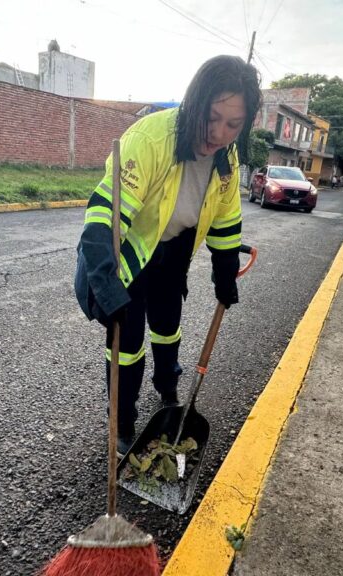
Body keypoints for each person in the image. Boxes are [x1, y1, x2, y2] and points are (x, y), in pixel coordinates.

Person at [74, 55, 262, 455]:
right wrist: (106, 286)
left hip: (174, 251)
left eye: (234, 124)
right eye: (213, 118)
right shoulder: (149, 141)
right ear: (196, 102)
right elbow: (104, 217)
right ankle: (122, 419)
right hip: (124, 256)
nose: (219, 133)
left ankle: (168, 390)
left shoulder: (226, 160)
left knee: (167, 327)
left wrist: (224, 275)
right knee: (127, 343)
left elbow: (226, 219)